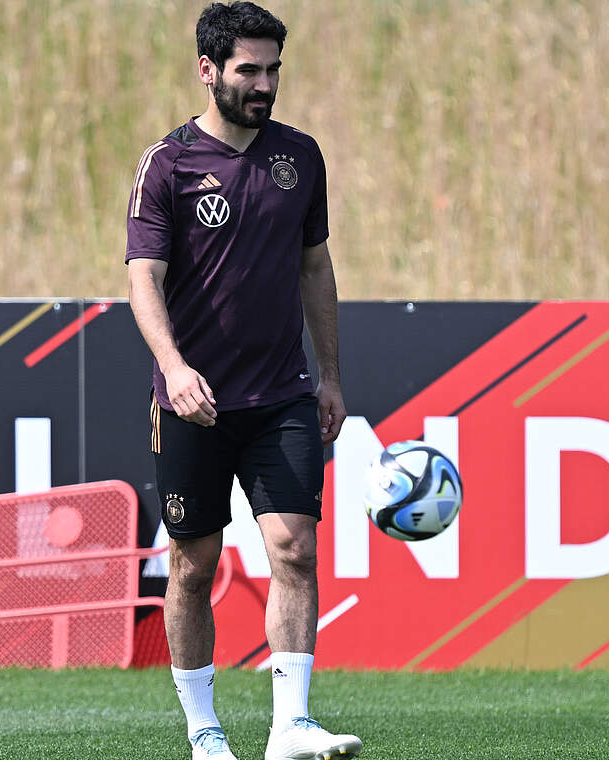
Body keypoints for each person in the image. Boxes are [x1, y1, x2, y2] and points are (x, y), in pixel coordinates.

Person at [124, 3, 361, 759]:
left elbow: (315, 266)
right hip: (195, 405)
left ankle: (290, 726)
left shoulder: (301, 157)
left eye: (273, 71)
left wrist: (328, 374)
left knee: (294, 548)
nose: (264, 85)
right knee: (194, 566)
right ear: (208, 70)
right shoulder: (168, 165)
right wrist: (174, 367)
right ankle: (204, 732)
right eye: (248, 71)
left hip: (283, 394)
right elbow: (143, 279)